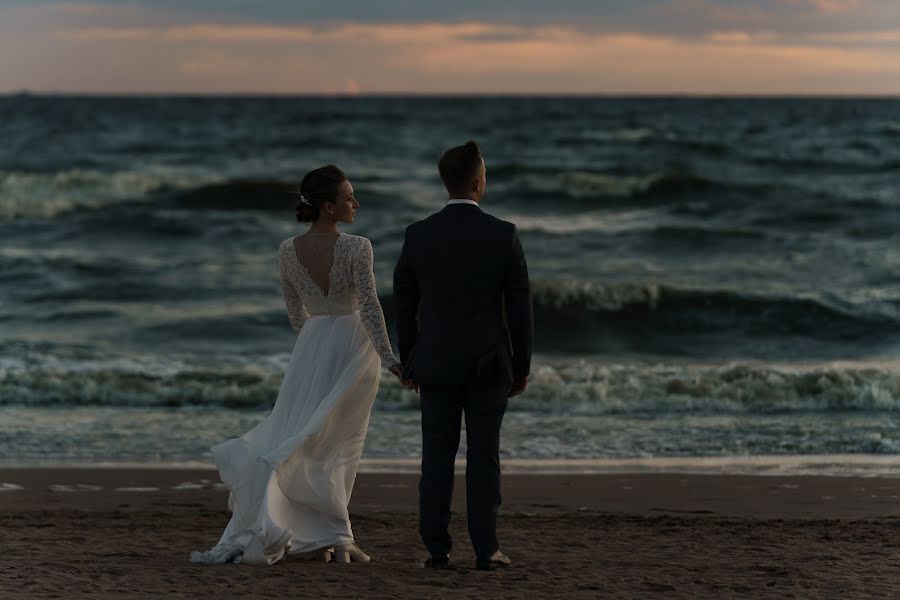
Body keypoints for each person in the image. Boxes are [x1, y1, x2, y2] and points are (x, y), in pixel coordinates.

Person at [191, 164, 402, 566]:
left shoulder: (288, 250)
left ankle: (319, 536)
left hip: (311, 345)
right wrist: (389, 357)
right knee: (340, 442)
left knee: (308, 436)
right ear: (328, 207)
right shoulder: (359, 246)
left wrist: (315, 344)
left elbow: (294, 314)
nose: (355, 203)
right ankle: (335, 537)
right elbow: (371, 307)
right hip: (353, 344)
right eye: (348, 197)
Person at [393, 141, 533, 571]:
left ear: (446, 183)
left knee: (435, 456)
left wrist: (410, 358)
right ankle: (486, 549)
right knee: (483, 456)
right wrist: (522, 365)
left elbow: (403, 303)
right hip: (489, 364)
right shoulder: (503, 234)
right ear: (478, 183)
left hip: (434, 363)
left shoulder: (418, 234)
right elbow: (519, 307)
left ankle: (437, 548)